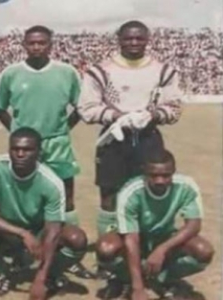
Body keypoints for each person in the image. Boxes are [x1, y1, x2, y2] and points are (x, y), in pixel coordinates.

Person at [77, 20, 183, 277]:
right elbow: (86, 108)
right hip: (113, 139)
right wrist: (115, 115)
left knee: (149, 192)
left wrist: (153, 114)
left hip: (148, 138)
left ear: (148, 39)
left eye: (139, 39)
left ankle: (145, 251)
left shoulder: (164, 70)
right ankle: (107, 259)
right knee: (109, 194)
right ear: (119, 39)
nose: (134, 43)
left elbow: (175, 107)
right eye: (128, 39)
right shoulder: (100, 70)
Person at [0, 25, 91, 279]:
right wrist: (15, 130)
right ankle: (16, 251)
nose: (37, 47)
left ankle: (68, 254)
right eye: (32, 43)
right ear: (24, 44)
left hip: (56, 144)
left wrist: (63, 129)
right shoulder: (11, 73)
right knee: (21, 197)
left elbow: (81, 107)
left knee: (66, 198)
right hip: (23, 146)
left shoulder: (66, 73)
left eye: (42, 43)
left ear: (50, 44)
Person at [0, 127, 88, 299]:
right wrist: (22, 233)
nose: (20, 154)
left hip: (39, 229)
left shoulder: (51, 182)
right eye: (15, 149)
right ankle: (1, 273)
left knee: (77, 239)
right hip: (8, 228)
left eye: (27, 150)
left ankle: (50, 275)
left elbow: (53, 230)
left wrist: (39, 279)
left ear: (39, 152)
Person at [95, 149, 213, 300]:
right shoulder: (130, 192)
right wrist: (138, 289)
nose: (160, 181)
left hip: (164, 236)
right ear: (144, 173)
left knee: (203, 251)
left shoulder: (186, 186)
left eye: (166, 175)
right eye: (154, 175)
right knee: (106, 248)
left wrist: (162, 249)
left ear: (174, 172)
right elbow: (131, 238)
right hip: (136, 237)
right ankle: (127, 279)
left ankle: (164, 279)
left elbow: (194, 225)